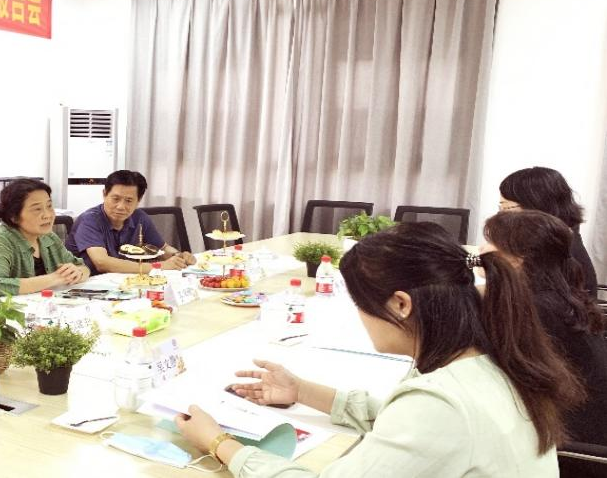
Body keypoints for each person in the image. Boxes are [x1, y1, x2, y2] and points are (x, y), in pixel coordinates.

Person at [175, 222, 583, 477]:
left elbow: (424, 421)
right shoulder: (488, 357)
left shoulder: (440, 404)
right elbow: (399, 421)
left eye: (361, 304)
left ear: (401, 304)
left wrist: (220, 444)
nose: (360, 316)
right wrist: (302, 391)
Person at [483, 209, 607, 446]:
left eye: (492, 242)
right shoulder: (558, 295)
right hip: (579, 421)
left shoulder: (538, 309)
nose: (483, 249)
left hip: (573, 440)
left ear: (518, 258)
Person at [0, 179, 89, 295]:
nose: (47, 215)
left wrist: (78, 272)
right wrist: (54, 278)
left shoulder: (49, 237)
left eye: (49, 206)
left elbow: (82, 266)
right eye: (37, 209)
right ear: (14, 216)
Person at [65, 170, 196, 274]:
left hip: (122, 281)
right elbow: (102, 263)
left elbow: (162, 248)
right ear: (104, 194)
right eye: (115, 199)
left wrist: (178, 256)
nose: (121, 206)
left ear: (138, 200)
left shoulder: (140, 217)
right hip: (86, 284)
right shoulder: (89, 220)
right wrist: (159, 266)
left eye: (128, 201)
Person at [499, 166, 599, 298]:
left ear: (534, 206)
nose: (500, 216)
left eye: (506, 208)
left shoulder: (555, 249)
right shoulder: (561, 237)